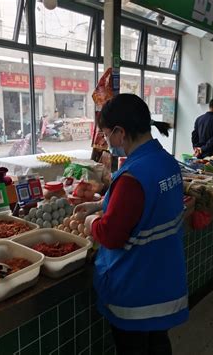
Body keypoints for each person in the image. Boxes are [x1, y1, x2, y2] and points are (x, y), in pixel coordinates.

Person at [76, 94, 188, 355]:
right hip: (163, 279)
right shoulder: (165, 161)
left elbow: (111, 235)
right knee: (158, 345)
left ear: (119, 132)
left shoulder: (132, 176)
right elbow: (148, 207)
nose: (106, 141)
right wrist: (101, 206)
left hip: (136, 288)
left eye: (105, 134)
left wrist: (92, 220)